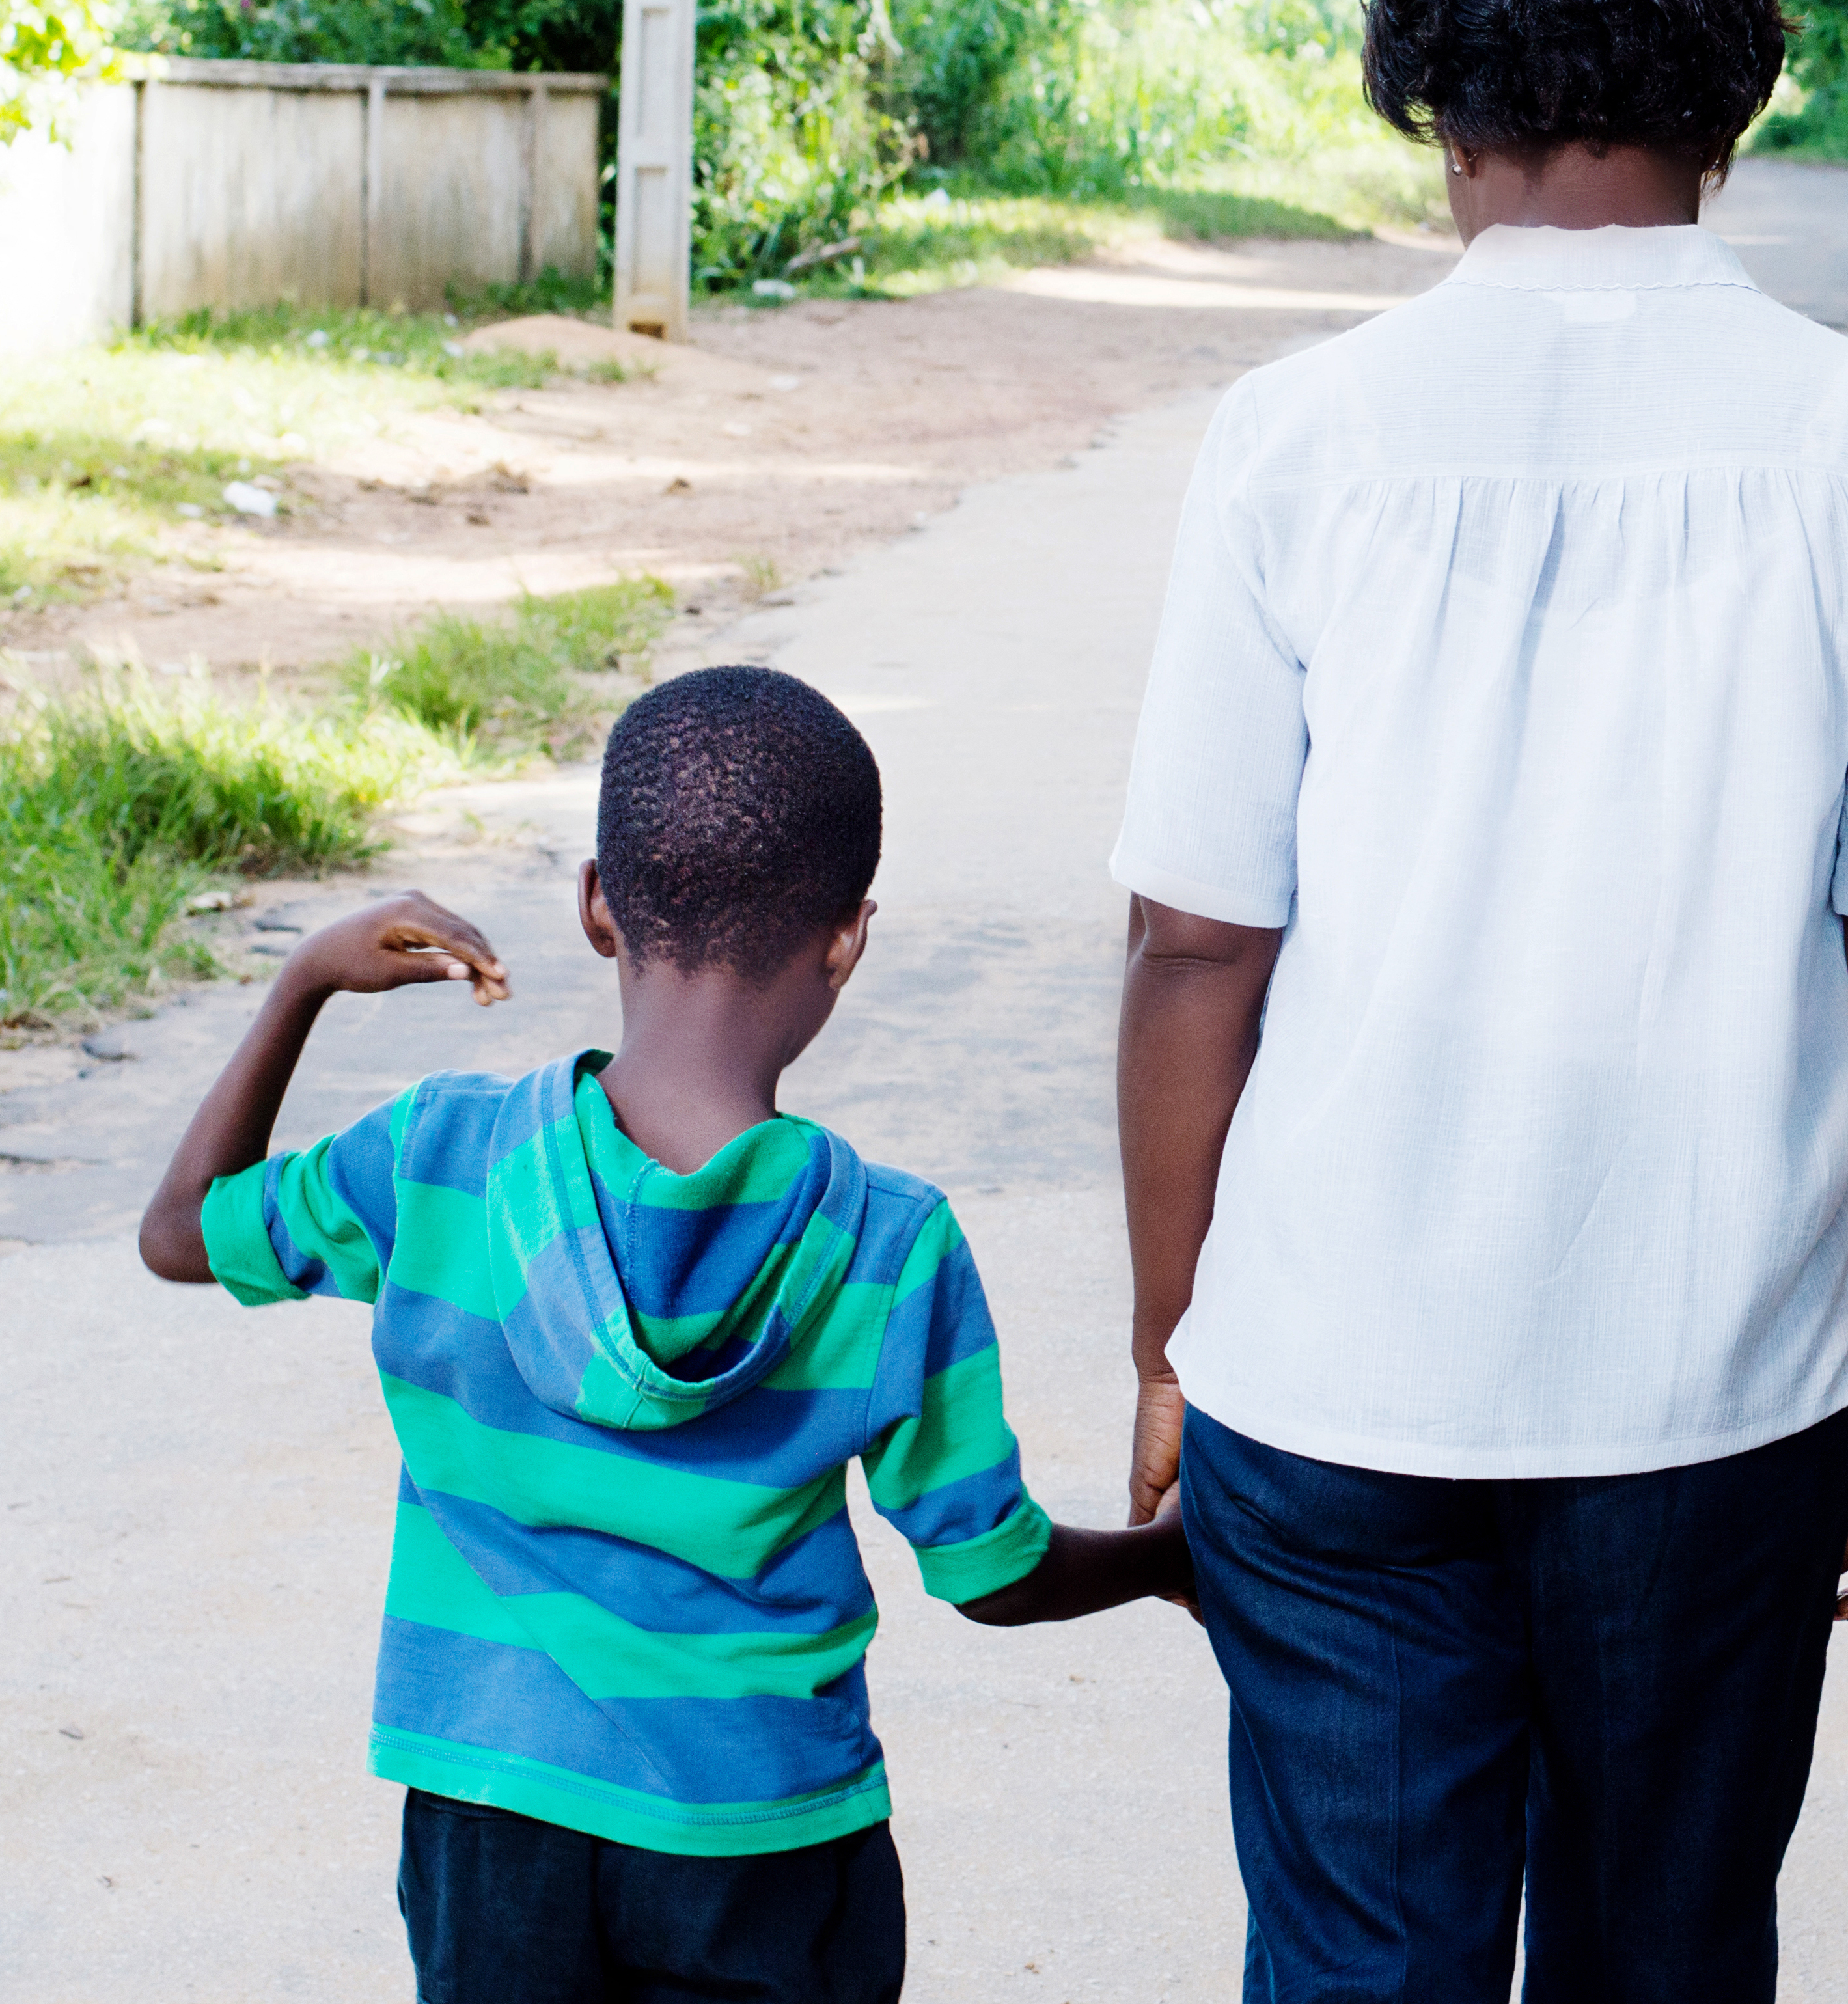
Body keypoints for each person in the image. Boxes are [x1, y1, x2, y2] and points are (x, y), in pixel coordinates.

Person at [1111, 0, 1848, 2002]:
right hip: (1715, 1396)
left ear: (1438, 121)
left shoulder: (1291, 442)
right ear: (1735, 106)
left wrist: (1168, 1333)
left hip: (1329, 1380)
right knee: (1666, 1952)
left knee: (1354, 1965)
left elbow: (1192, 946)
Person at [138, 665, 1187, 2004]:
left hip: (489, 1812)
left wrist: (303, 983)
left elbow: (183, 1231)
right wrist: (1168, 1557)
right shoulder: (887, 1242)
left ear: (595, 905)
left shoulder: (435, 1159)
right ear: (847, 940)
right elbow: (991, 1571)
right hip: (764, 1834)